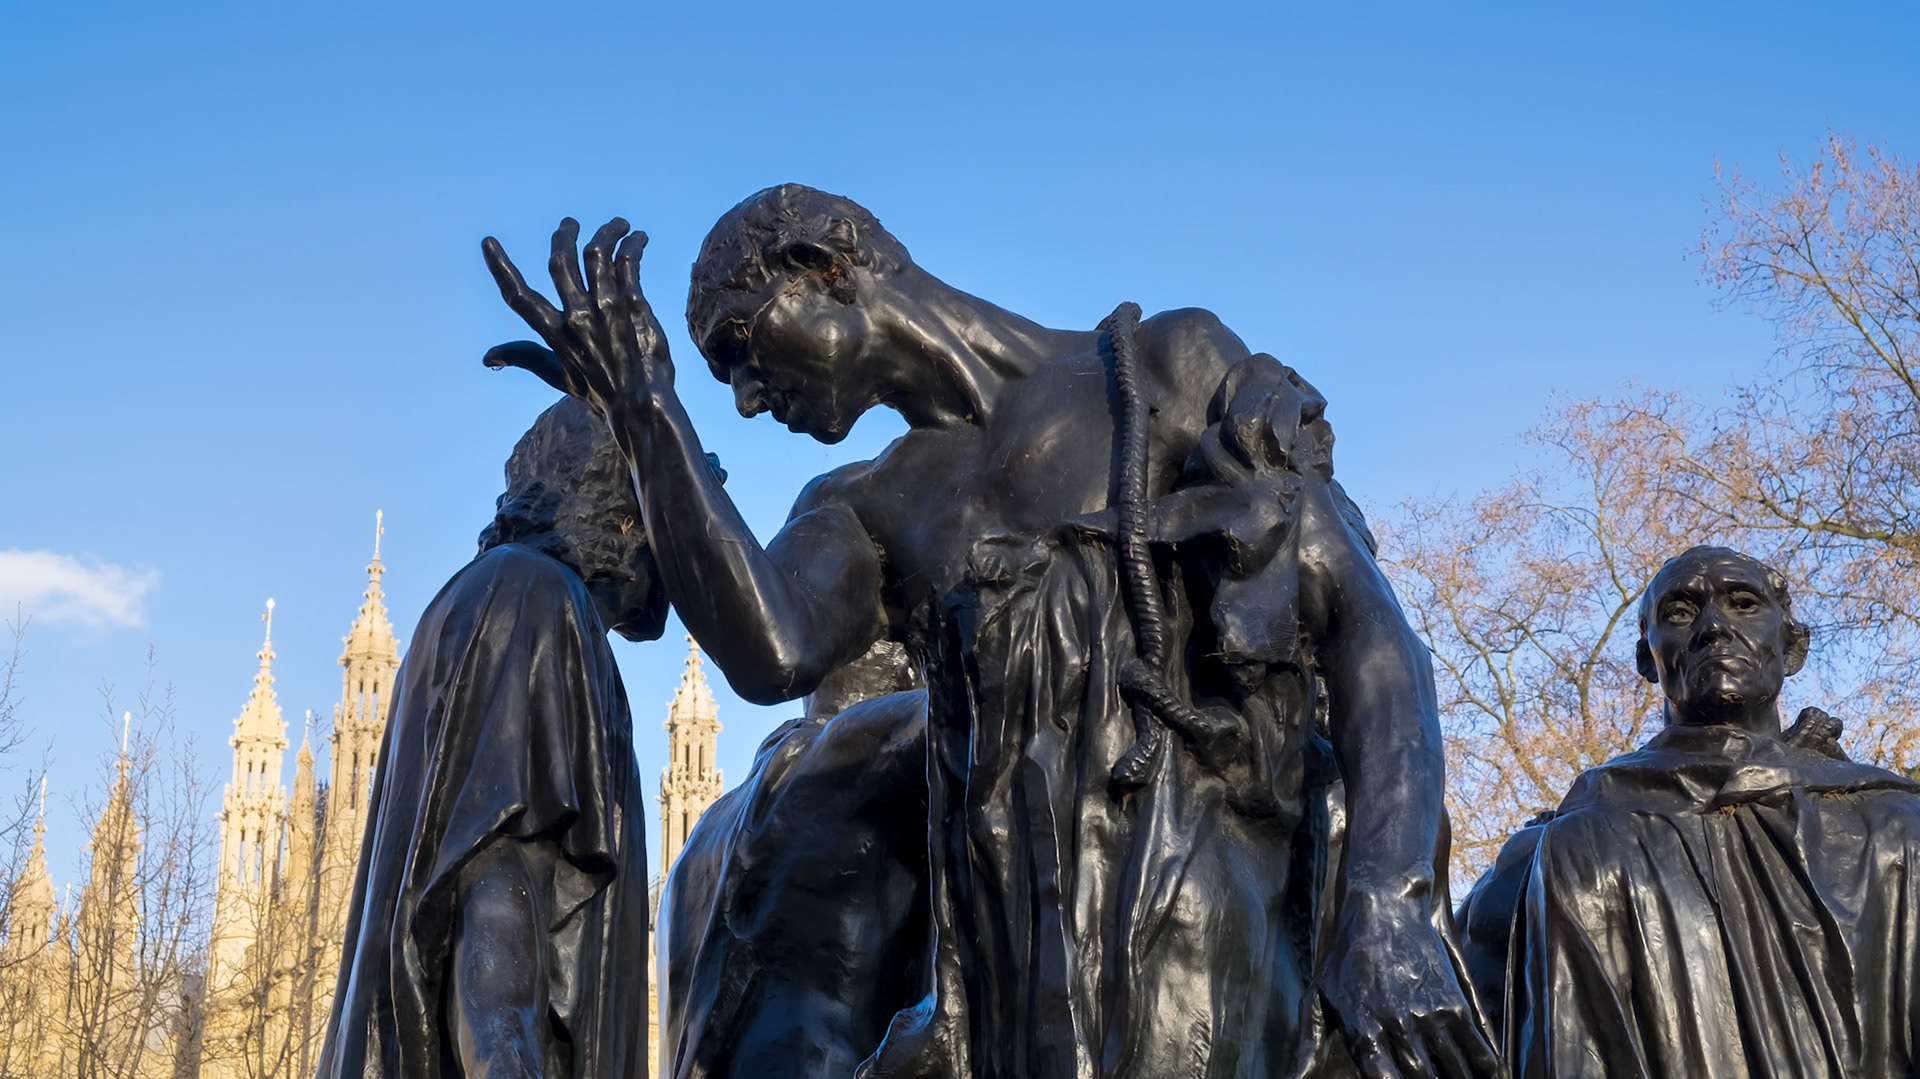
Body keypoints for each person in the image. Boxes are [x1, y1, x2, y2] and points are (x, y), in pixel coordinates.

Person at [482, 186, 1497, 1079]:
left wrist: (1391, 900)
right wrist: (642, 410)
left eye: (742, 345)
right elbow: (770, 648)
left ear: (824, 267)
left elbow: (1363, 626)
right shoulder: (868, 502)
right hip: (1017, 990)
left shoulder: (1162, 364)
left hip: (1215, 945)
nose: (746, 399)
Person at [1457, 546, 1920, 1077]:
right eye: (1679, 612)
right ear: (1645, 658)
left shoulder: (1895, 824)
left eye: (1744, 603)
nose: (1714, 627)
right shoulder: (1541, 858)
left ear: (1792, 647)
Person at [315, 397, 665, 1079]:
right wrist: (506, 1053)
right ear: (624, 518)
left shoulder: (479, 595)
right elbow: (492, 868)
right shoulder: (533, 595)